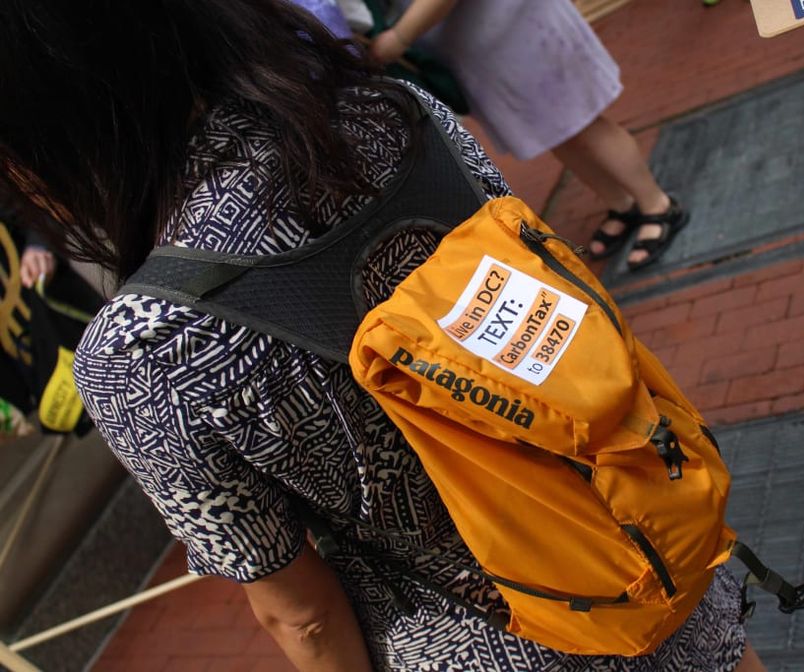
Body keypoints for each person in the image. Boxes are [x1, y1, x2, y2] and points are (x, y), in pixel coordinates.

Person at [0, 1, 763, 670]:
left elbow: (302, 615)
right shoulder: (391, 114)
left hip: (488, 641)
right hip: (651, 545)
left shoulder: (139, 351)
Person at [368, 0, 688, 271]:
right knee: (555, 134)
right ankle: (622, 204)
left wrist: (399, 36)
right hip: (481, 48)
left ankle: (657, 204)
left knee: (585, 123)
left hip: (518, 30)